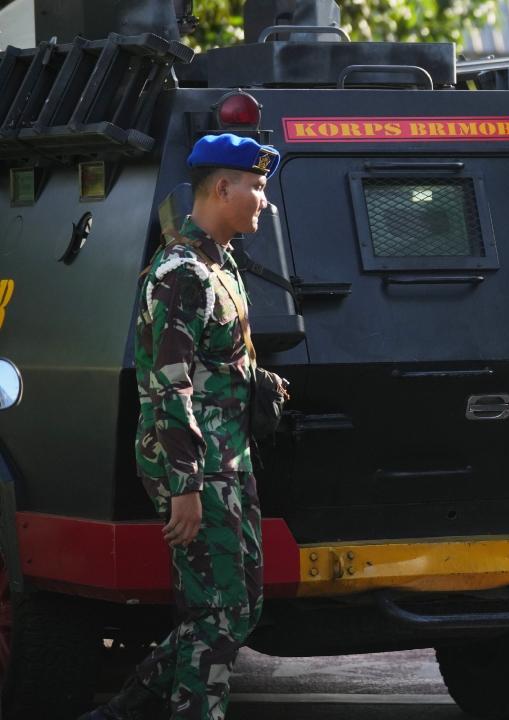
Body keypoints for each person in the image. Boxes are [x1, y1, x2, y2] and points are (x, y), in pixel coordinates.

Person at [82, 133, 284, 720]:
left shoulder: (221, 266)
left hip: (230, 457)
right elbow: (169, 385)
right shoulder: (182, 274)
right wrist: (186, 485)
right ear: (223, 188)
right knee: (216, 615)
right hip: (194, 464)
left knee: (240, 611)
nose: (263, 202)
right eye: (256, 187)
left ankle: (121, 712)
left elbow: (212, 361)